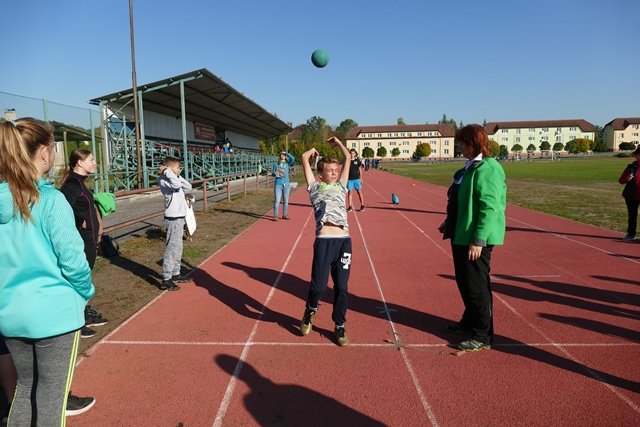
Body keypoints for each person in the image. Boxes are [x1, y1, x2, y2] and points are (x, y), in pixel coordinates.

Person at [0, 118, 95, 425]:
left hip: (11, 314)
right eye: (53, 148)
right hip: (55, 315)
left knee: (25, 389)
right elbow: (73, 259)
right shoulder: (50, 201)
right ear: (43, 152)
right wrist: (84, 292)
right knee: (52, 397)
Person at [438, 124, 506, 352]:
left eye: (462, 144)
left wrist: (479, 239)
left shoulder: (489, 169)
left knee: (477, 286)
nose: (459, 148)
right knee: (465, 282)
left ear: (474, 143)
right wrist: (450, 222)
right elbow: (458, 200)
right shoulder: (469, 167)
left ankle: (482, 334)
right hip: (461, 233)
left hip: (475, 238)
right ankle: (469, 321)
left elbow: (490, 206)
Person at [299, 137, 352, 346]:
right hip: (324, 242)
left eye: (335, 170)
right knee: (318, 287)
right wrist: (313, 149)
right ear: (320, 174)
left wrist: (338, 143)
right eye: (330, 170)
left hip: (344, 242)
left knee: (342, 286)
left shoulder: (341, 187)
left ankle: (339, 325)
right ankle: (310, 311)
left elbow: (347, 157)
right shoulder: (314, 188)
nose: (334, 172)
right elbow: (304, 158)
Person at [60, 149, 109, 339]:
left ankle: (83, 312)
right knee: (79, 278)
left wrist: (98, 225)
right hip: (81, 239)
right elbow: (63, 208)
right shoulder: (72, 184)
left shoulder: (80, 183)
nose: (95, 163)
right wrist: (79, 221)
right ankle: (76, 321)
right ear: (79, 162)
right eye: (91, 159)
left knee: (85, 277)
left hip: (89, 239)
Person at [158, 156, 193, 291]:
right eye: (178, 168)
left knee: (178, 247)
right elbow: (176, 186)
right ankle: (166, 278)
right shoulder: (163, 180)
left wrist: (177, 175)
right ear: (170, 169)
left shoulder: (175, 179)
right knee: (171, 248)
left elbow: (188, 187)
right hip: (172, 218)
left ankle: (176, 273)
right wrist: (168, 172)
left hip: (180, 217)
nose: (180, 170)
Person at [618, 146, 640, 241]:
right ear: (636, 156)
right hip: (631, 195)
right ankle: (631, 234)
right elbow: (621, 181)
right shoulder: (630, 167)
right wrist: (627, 178)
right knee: (632, 215)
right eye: (639, 155)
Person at [271, 151, 295, 220]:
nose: (283, 155)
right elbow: (273, 172)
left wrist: (286, 153)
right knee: (277, 201)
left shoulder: (288, 163)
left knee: (286, 201)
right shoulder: (276, 164)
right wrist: (274, 173)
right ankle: (275, 215)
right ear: (279, 155)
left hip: (286, 185)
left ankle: (285, 214)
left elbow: (293, 158)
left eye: (284, 155)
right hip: (278, 184)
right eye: (281, 154)